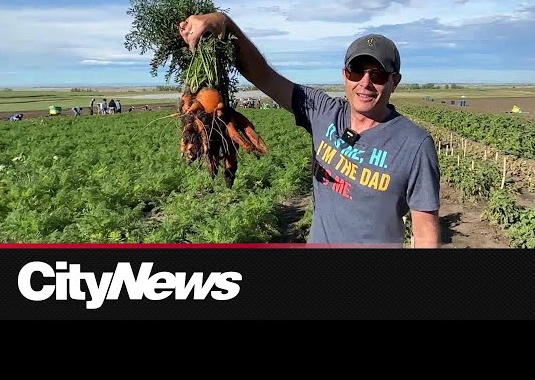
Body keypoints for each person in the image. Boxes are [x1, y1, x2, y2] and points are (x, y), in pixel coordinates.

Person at [178, 12, 441, 247]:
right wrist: (223, 23)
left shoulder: (414, 144)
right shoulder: (324, 111)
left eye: (379, 75)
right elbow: (264, 75)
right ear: (344, 74)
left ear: (395, 82)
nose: (365, 82)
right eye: (356, 71)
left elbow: (426, 234)